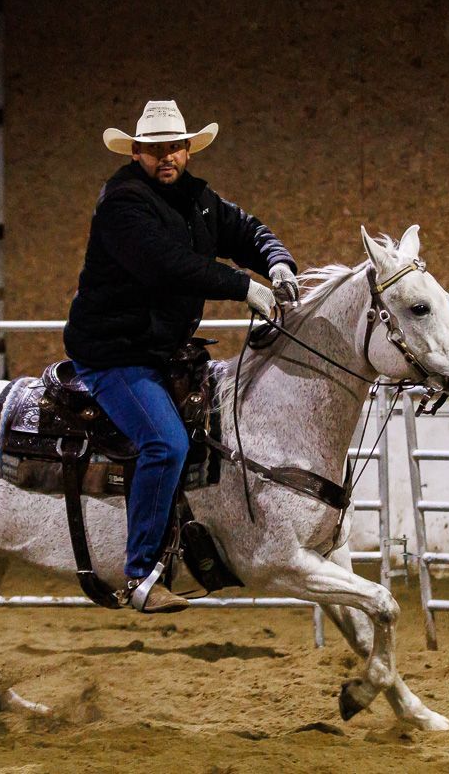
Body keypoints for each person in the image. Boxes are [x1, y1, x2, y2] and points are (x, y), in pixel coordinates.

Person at [63, 100, 297, 614]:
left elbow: (247, 231)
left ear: (188, 150)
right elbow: (167, 265)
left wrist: (276, 262)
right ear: (137, 152)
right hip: (114, 352)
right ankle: (141, 576)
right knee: (165, 442)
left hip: (160, 350)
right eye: (154, 149)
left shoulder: (199, 198)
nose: (165, 156)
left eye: (174, 147)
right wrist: (243, 286)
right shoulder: (122, 203)